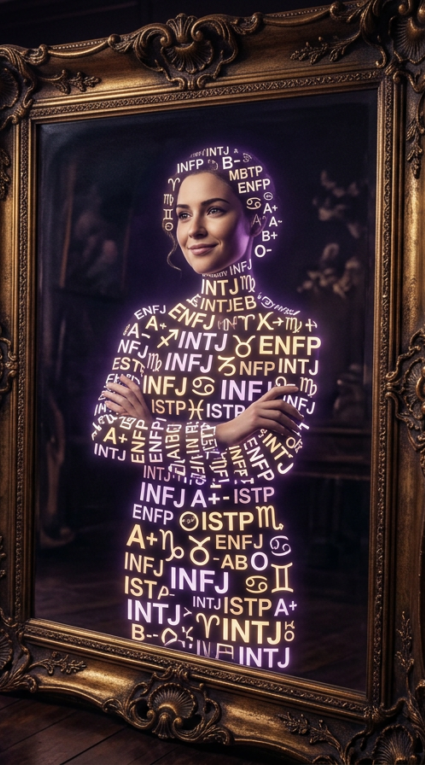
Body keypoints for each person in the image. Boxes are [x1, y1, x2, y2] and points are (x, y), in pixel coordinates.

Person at [91, 145, 321, 672]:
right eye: (182, 213)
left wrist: (151, 431)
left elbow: (267, 461)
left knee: (247, 702)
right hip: (156, 545)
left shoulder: (291, 332)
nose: (194, 228)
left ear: (255, 217)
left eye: (214, 209)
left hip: (246, 551)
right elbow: (108, 434)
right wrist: (224, 431)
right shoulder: (149, 327)